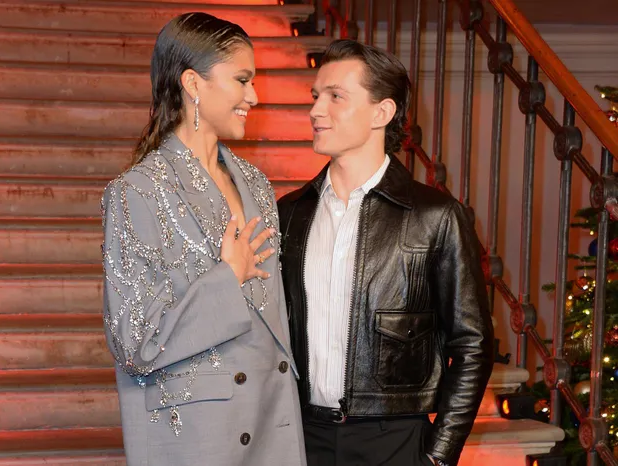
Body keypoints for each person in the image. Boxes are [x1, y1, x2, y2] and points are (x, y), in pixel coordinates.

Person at [101, 12, 306, 466]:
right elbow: (135, 341)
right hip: (201, 439)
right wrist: (227, 278)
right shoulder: (138, 192)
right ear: (193, 83)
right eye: (242, 80)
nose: (253, 96)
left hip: (272, 422)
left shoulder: (256, 184)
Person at [278, 39, 494, 466]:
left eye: (336, 96)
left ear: (382, 112)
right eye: (316, 96)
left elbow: (473, 344)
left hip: (394, 441)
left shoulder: (435, 217)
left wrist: (438, 455)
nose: (316, 110)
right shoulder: (289, 213)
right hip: (302, 439)